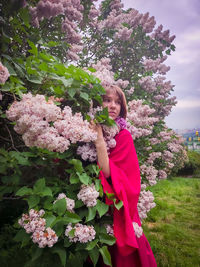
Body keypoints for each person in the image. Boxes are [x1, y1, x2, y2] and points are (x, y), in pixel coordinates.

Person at [92, 85, 157, 267]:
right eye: (107, 100)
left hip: (116, 205)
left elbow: (107, 172)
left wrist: (98, 137)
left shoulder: (123, 135)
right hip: (94, 203)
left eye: (118, 102)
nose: (113, 106)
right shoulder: (89, 128)